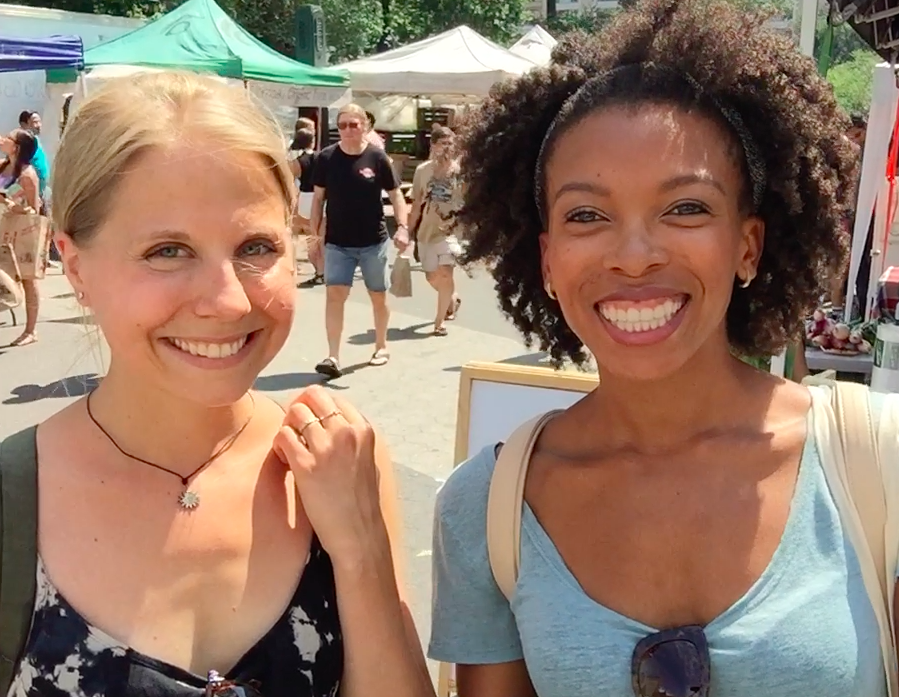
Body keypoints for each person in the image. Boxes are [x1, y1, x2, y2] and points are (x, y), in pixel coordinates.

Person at [428, 0, 867, 695]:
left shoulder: (876, 466)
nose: (633, 257)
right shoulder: (485, 509)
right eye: (586, 215)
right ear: (547, 260)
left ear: (746, 244)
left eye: (684, 207)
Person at [0, 71, 432, 697]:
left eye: (256, 246)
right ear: (75, 266)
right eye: (168, 251)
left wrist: (360, 555)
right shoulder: (16, 501)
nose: (228, 302)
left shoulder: (339, 464)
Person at [310, 103, 408, 378]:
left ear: (365, 126)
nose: (348, 130)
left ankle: (381, 346)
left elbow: (396, 195)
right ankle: (332, 356)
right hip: (337, 243)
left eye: (353, 124)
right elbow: (318, 198)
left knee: (378, 295)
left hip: (372, 241)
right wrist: (314, 234)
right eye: (342, 125)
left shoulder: (377, 158)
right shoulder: (326, 158)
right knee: (334, 295)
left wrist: (402, 227)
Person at [408, 126, 462, 336]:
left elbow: (470, 201)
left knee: (446, 273)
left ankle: (439, 322)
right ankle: (451, 298)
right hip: (425, 233)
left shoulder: (460, 172)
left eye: (451, 144)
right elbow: (415, 205)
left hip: (449, 232)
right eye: (443, 144)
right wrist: (406, 230)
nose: (447, 148)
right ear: (434, 146)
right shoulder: (422, 171)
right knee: (432, 276)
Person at [0, 129, 42, 347]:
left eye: (8, 137)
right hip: (2, 229)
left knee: (28, 279)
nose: (3, 138)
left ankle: (31, 330)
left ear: (16, 146)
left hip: (20, 231)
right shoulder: (4, 166)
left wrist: (13, 206)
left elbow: (34, 210)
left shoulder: (27, 175)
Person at [290, 127, 324, 285]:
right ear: (313, 140)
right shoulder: (322, 158)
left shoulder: (297, 161)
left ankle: (318, 270)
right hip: (319, 198)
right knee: (319, 236)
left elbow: (291, 181)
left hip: (304, 198)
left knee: (309, 236)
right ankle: (322, 270)